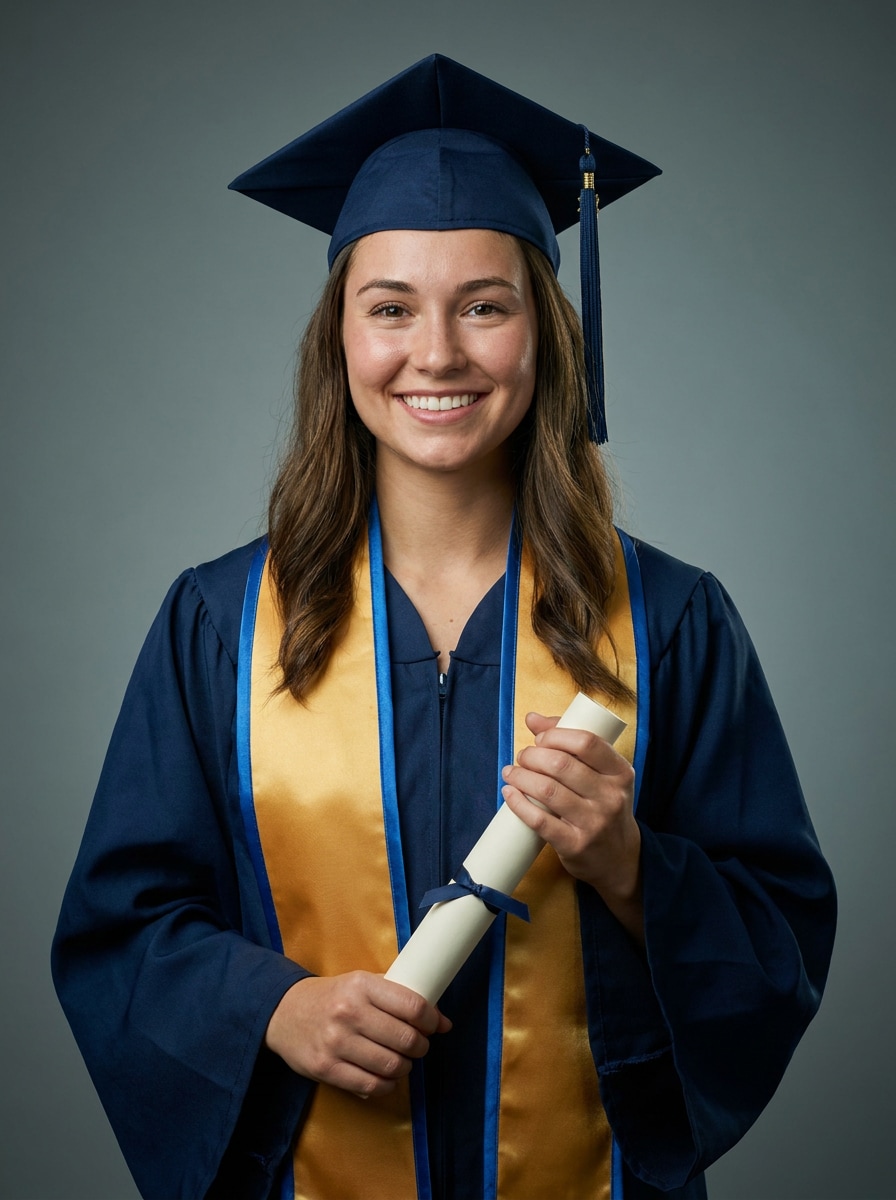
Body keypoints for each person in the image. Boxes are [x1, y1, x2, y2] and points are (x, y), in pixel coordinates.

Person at [52, 54, 836, 1200]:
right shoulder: (218, 625)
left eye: (484, 304)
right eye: (390, 309)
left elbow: (777, 937)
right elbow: (122, 929)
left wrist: (627, 866)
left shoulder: (666, 622)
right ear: (339, 341)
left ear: (543, 335)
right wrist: (274, 1006)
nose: (437, 354)